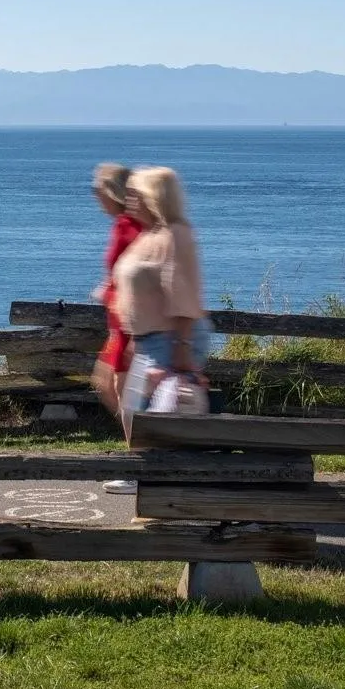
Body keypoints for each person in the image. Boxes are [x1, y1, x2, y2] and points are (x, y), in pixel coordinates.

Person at [104, 167, 213, 494]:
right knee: (133, 408)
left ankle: (159, 482)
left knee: (161, 411)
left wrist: (181, 349)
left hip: (171, 337)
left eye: (136, 194)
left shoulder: (176, 234)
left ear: (153, 197)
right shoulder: (150, 235)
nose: (129, 200)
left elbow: (183, 294)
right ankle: (145, 475)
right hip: (150, 338)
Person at [90, 163, 145, 416]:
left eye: (97, 189)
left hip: (128, 321)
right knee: (108, 384)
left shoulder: (129, 227)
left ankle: (139, 435)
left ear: (112, 192)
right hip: (120, 319)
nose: (95, 196)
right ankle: (136, 434)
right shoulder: (124, 225)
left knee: (115, 386)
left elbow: (139, 274)